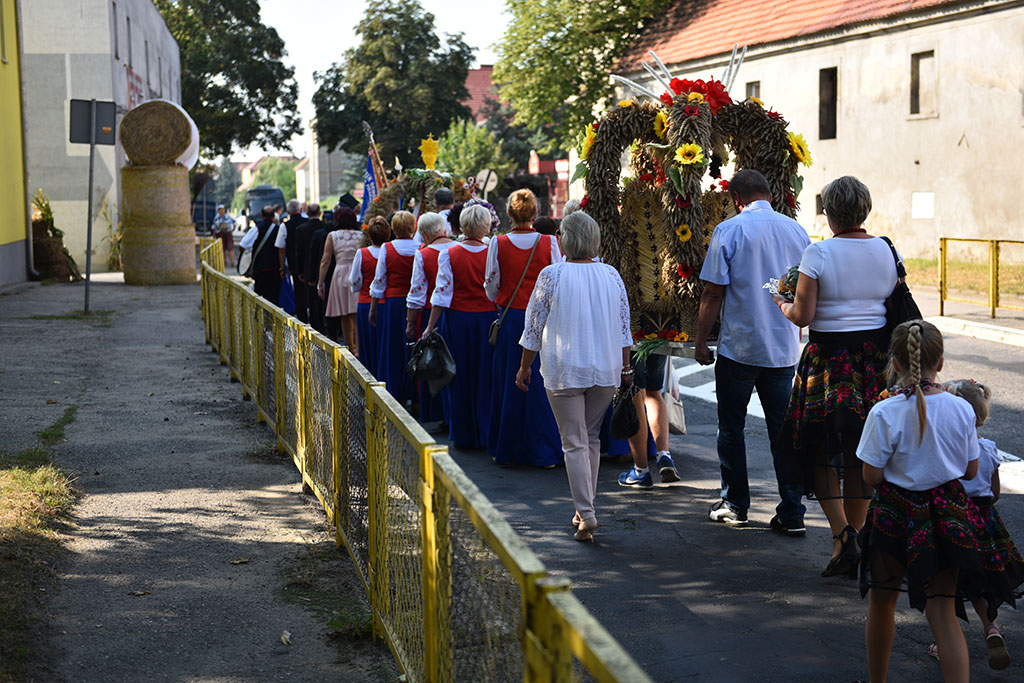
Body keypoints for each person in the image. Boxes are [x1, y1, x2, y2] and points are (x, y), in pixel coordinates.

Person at [772, 176, 899, 572]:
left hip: (828, 363)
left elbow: (803, 316)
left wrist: (780, 303)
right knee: (858, 450)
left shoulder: (818, 253)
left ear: (829, 212)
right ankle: (854, 537)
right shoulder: (886, 249)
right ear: (865, 208)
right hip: (872, 363)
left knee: (817, 451)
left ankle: (841, 535)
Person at [857, 320, 985, 683]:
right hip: (946, 516)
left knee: (882, 604)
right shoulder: (962, 410)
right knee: (943, 613)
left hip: (894, 515)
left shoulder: (884, 412)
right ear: (940, 362)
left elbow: (870, 476)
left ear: (894, 364)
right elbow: (971, 471)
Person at [695, 169, 809, 531]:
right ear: (771, 195)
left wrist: (700, 340)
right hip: (782, 347)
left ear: (736, 199)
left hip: (740, 348)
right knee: (783, 431)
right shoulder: (797, 230)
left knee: (731, 429)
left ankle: (735, 504)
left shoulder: (729, 230)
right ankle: (792, 512)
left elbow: (713, 292)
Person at [516, 211, 633, 541]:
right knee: (590, 438)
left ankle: (588, 513)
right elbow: (624, 330)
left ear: (563, 239)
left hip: (565, 367)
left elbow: (533, 329)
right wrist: (625, 368)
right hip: (606, 368)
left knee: (574, 442)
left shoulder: (551, 275)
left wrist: (525, 366)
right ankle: (585, 508)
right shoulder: (611, 275)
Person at [924, 379, 1023, 671]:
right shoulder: (990, 448)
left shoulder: (948, 448)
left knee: (946, 585)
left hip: (954, 521)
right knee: (982, 583)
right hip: (985, 523)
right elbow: (993, 495)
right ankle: (992, 628)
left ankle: (943, 642)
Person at [485, 188, 563, 467]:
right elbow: (557, 278)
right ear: (534, 213)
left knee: (510, 383)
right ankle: (545, 449)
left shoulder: (498, 242)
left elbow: (491, 284)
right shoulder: (548, 242)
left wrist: (501, 299)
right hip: (543, 320)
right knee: (542, 384)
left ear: (508, 214)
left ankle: (508, 448)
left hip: (512, 318)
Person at [422, 205, 496, 448]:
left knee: (458, 376)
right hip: (487, 320)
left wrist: (430, 326)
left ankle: (463, 434)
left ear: (462, 226)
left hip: (458, 321)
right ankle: (485, 432)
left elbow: (441, 294)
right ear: (486, 225)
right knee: (486, 377)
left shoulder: (449, 254)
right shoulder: (492, 253)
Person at [406, 212, 456, 425]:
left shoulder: (423, 254)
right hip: (457, 311)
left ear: (424, 234)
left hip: (430, 312)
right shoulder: (458, 247)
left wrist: (410, 321)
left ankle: (435, 411)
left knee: (433, 362)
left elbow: (417, 291)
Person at [369, 211, 418, 405]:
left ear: (393, 229)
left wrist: (373, 307)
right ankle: (414, 393)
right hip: (414, 303)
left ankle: (394, 391)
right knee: (413, 348)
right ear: (413, 228)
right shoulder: (421, 247)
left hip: (393, 303)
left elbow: (379, 280)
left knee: (393, 347)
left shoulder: (387, 249)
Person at [616, 353, 680, 488]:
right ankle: (664, 455)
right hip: (657, 335)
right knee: (654, 391)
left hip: (632, 337)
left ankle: (641, 470)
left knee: (635, 393)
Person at [349, 216, 389, 377]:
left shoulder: (362, 253)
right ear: (388, 234)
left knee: (367, 344)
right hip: (386, 303)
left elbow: (354, 281)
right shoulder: (390, 251)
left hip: (366, 302)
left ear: (369, 236)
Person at [317, 208, 361, 348]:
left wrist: (320, 282)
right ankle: (360, 347)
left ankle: (351, 347)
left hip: (340, 273)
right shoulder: (361, 235)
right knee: (356, 313)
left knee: (344, 313)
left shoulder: (332, 236)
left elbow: (325, 260)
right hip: (357, 273)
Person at [239, 206, 282, 305]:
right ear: (273, 216)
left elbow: (242, 245)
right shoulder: (279, 229)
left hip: (260, 270)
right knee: (274, 299)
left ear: (262, 216)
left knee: (260, 299)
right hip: (275, 269)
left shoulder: (256, 229)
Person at [292, 204, 323, 325]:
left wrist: (299, 271)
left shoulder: (301, 229)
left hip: (307, 268)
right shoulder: (325, 227)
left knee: (311, 297)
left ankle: (314, 323)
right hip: (321, 266)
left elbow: (298, 252)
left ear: (307, 213)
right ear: (319, 213)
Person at [278, 200, 308, 321]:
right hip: (310, 263)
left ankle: (302, 318)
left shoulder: (285, 226)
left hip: (294, 264)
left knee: (299, 291)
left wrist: (282, 267)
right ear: (300, 210)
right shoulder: (307, 222)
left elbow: (281, 249)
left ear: (288, 212)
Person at [306, 211, 334, 334]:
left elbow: (316, 258)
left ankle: (322, 328)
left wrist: (313, 278)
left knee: (320, 303)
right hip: (337, 273)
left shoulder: (319, 234)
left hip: (324, 273)